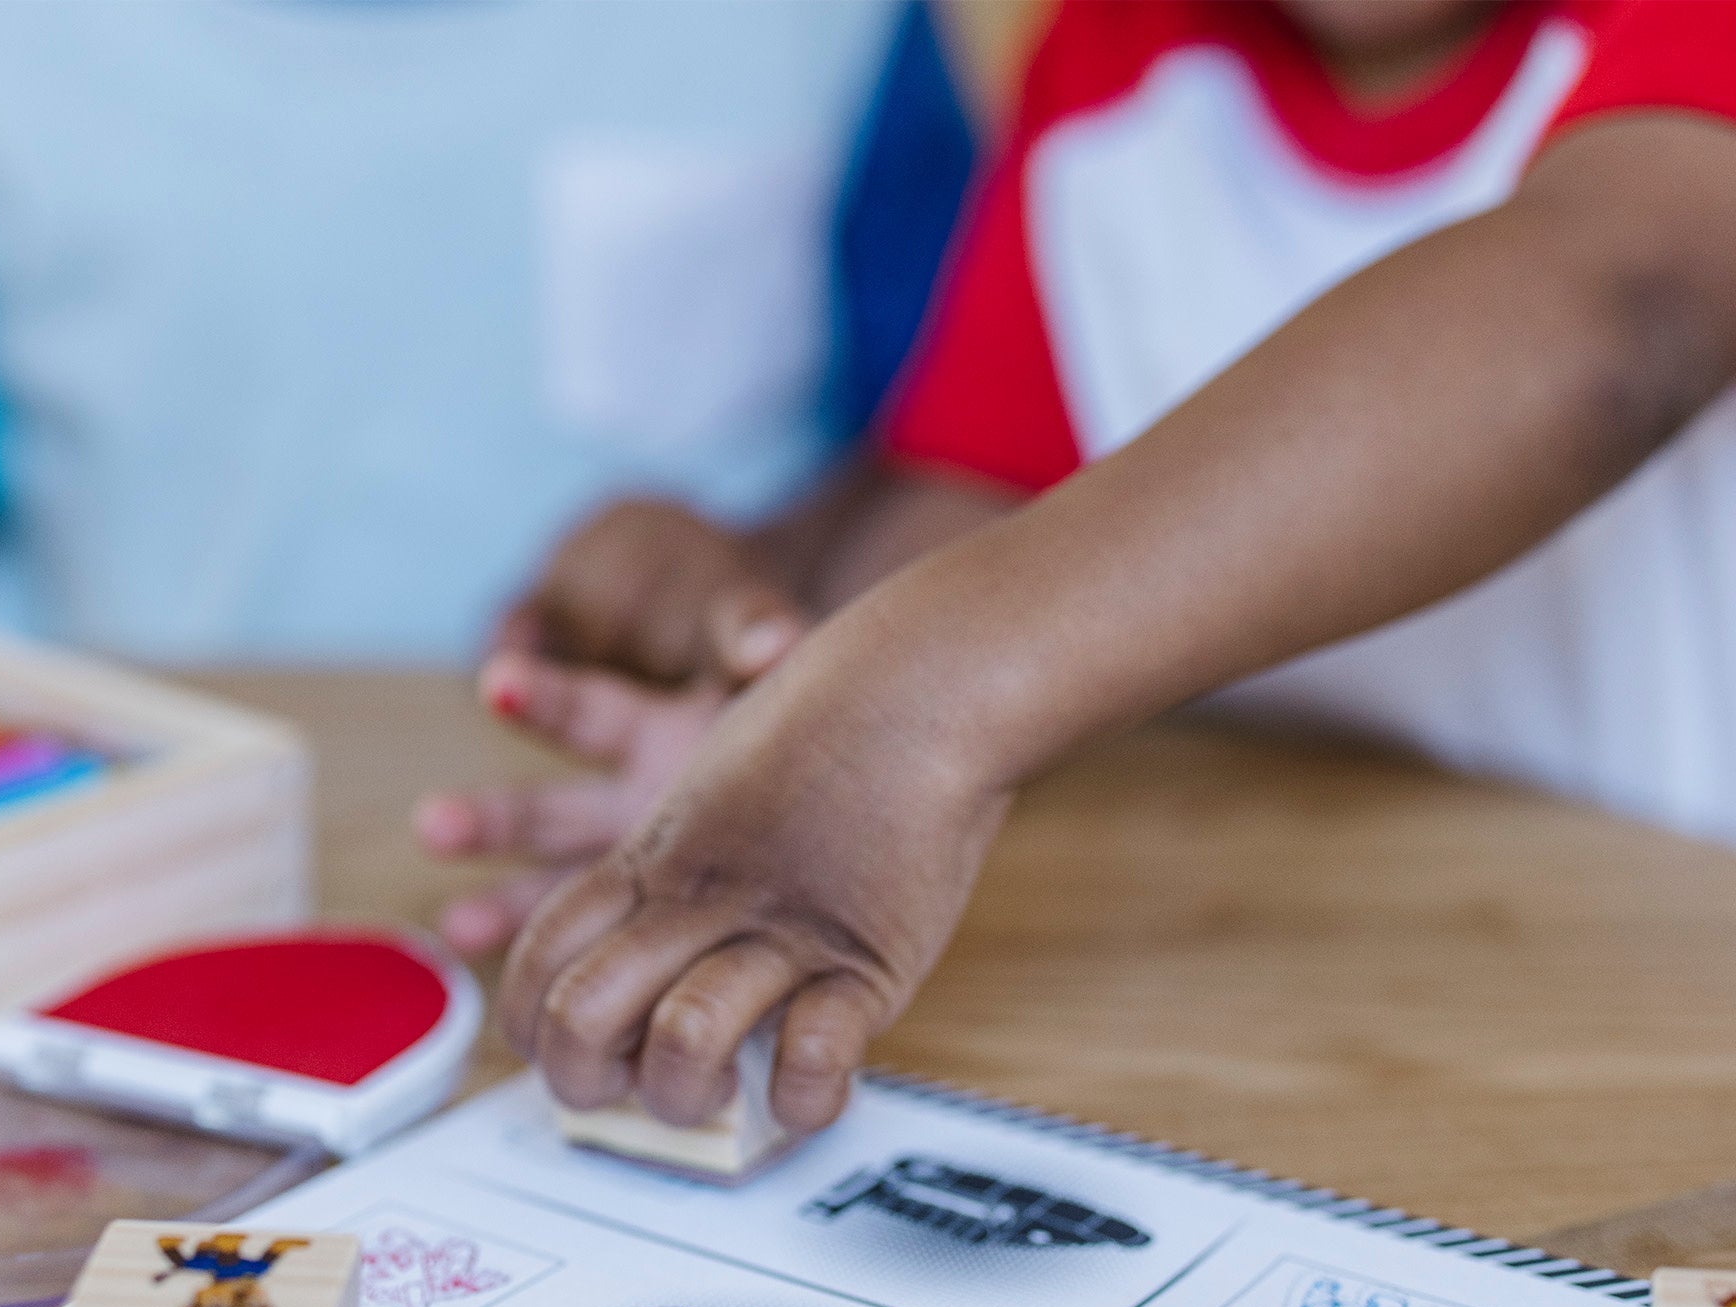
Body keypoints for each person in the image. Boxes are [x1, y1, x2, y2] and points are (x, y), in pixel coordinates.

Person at [416, 0, 1736, 1137]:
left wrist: (899, 714)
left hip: (1668, 1009)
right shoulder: (1113, 55)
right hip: (1287, 996)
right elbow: (976, 506)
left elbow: (1623, 303)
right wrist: (776, 709)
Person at [0, 0, 979, 660]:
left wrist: (761, 565)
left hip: (669, 815)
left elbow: (955, 453)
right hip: (124, 835)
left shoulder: (837, 21)